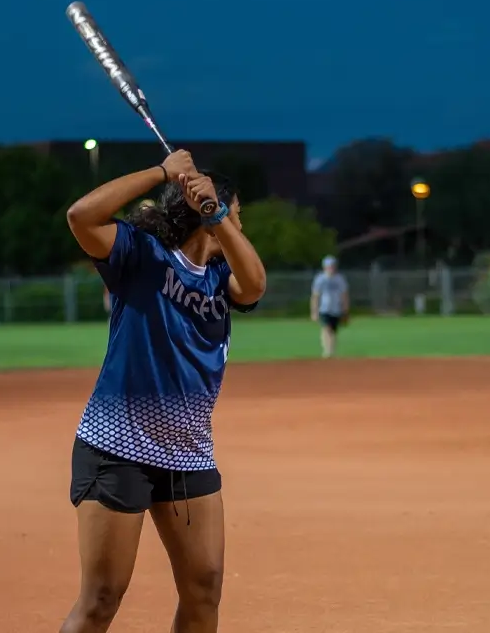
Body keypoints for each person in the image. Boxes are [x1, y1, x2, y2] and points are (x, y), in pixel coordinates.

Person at [60, 149, 266, 633]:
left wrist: (216, 214)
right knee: (102, 597)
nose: (238, 219)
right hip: (117, 445)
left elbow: (255, 285)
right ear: (197, 208)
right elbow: (80, 216)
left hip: (188, 452)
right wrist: (162, 172)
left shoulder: (222, 279)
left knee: (204, 587)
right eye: (236, 210)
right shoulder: (139, 255)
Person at [310, 255, 349, 358]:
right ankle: (326, 351)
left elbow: (344, 295)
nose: (331, 268)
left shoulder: (340, 279)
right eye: (329, 266)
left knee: (333, 331)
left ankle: (331, 351)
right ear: (325, 267)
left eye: (332, 266)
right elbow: (315, 296)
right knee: (326, 328)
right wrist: (314, 311)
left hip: (336, 309)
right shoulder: (320, 279)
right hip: (324, 308)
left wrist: (345, 310)